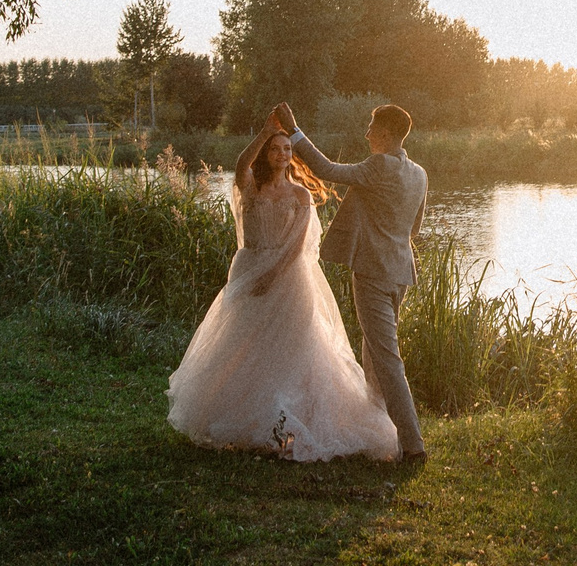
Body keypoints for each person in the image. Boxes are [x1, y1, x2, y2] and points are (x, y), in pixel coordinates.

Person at [165, 112, 400, 461]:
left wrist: (271, 276)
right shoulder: (251, 187)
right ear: (266, 153)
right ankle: (243, 413)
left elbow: (296, 246)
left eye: (288, 149)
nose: (282, 154)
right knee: (243, 343)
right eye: (275, 149)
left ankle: (287, 419)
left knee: (295, 350)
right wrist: (263, 132)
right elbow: (241, 163)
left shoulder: (301, 195)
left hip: (289, 278)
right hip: (249, 267)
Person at [274, 100, 428, 461]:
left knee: (386, 358)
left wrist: (294, 130)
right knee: (374, 353)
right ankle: (380, 431)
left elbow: (327, 169)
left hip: (374, 272)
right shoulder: (420, 173)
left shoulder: (378, 166)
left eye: (372, 127)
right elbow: (415, 229)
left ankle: (413, 444)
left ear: (387, 134)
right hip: (400, 273)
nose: (367, 133)